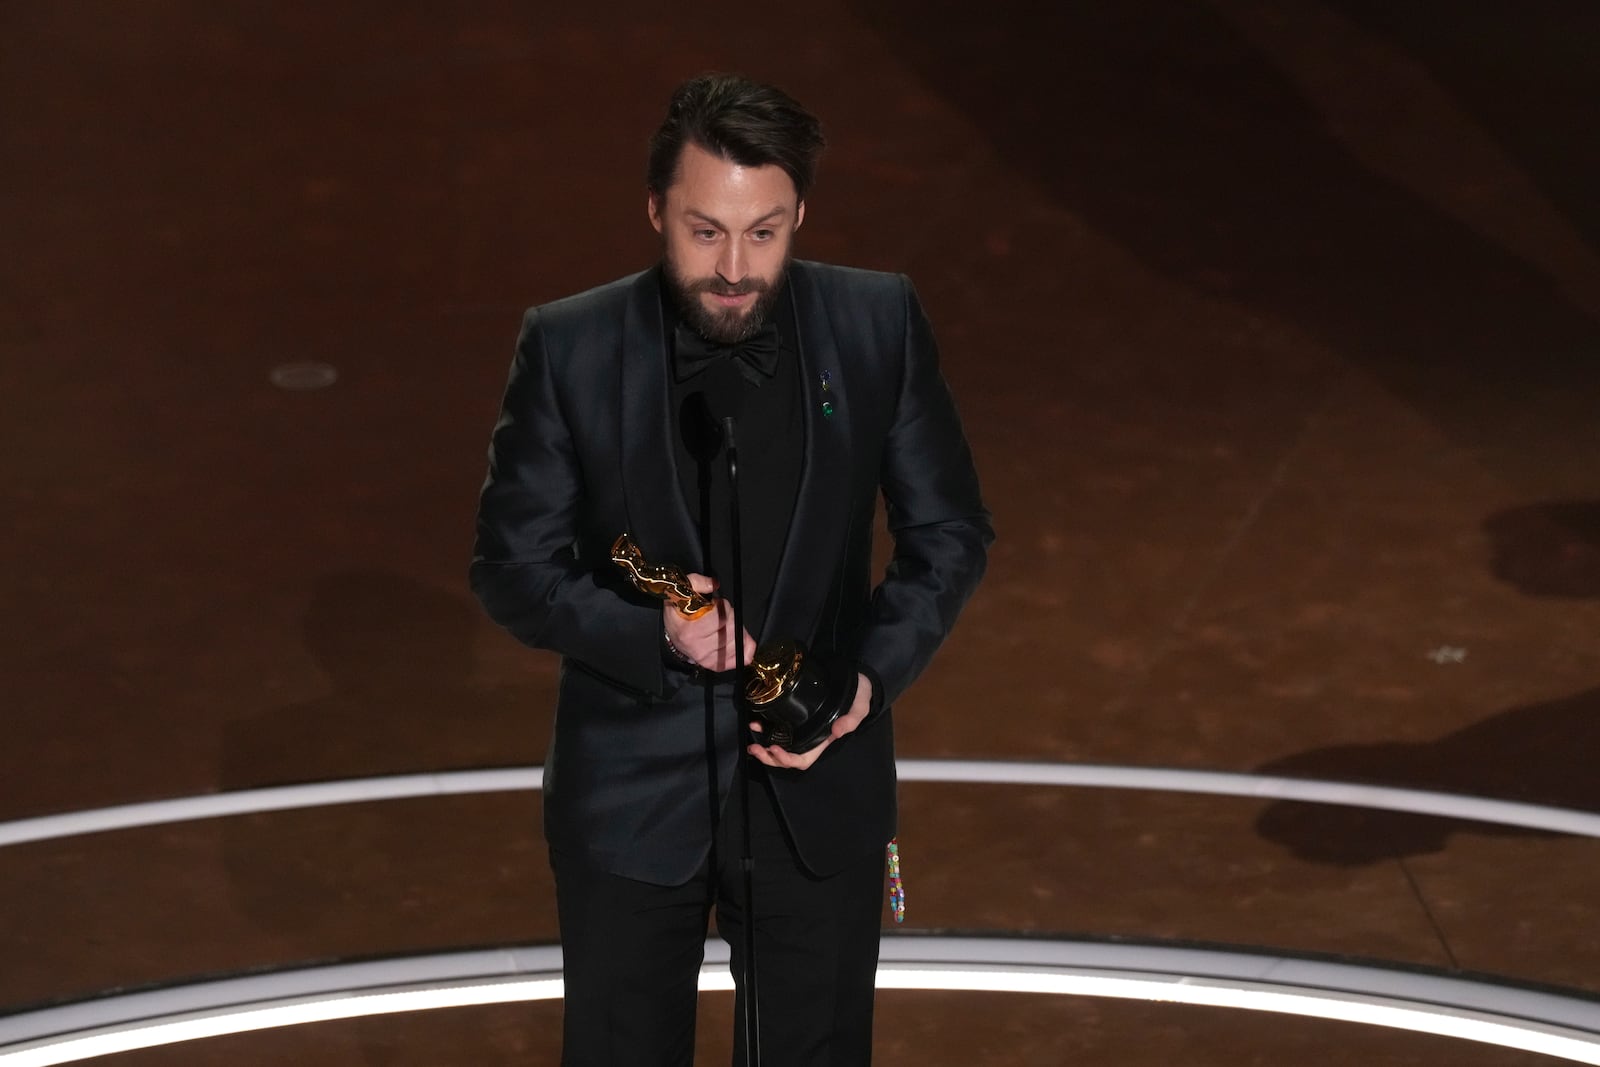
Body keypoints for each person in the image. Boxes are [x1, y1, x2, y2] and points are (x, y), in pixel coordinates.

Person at [470, 72, 991, 1067]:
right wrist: (652, 629)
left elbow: (949, 531)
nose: (734, 268)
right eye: (705, 231)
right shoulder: (570, 346)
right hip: (629, 800)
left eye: (764, 232)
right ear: (657, 209)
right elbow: (511, 565)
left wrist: (864, 681)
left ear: (800, 215)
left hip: (816, 785)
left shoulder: (875, 323)